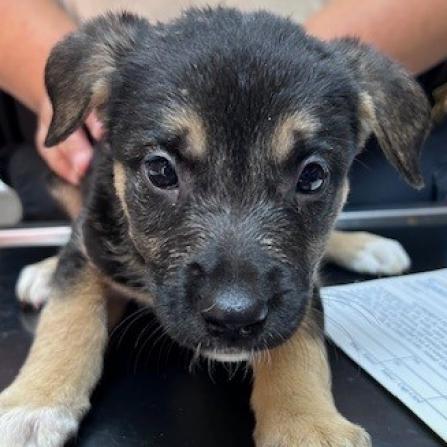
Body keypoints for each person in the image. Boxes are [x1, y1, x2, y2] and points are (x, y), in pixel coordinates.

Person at [0, 0, 447, 186]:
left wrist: (304, 76)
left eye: (309, 180)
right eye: (164, 174)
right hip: (94, 116)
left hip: (343, 84)